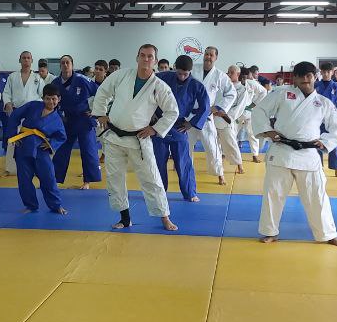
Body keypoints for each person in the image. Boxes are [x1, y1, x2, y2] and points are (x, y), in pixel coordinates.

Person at [252, 61, 337, 247]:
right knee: (273, 195)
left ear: (315, 77)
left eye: (309, 75)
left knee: (318, 196)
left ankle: (328, 234)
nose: (305, 79)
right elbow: (259, 110)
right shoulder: (281, 94)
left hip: (309, 153)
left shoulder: (323, 102)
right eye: (301, 75)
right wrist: (268, 131)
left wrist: (325, 142)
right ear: (294, 78)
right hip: (282, 150)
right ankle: (270, 232)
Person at [93, 44, 179, 231]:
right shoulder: (121, 75)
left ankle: (165, 217)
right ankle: (125, 218)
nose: (146, 59)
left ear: (155, 60)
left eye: (150, 56)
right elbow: (103, 91)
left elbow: (172, 111)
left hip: (139, 139)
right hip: (114, 136)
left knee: (151, 178)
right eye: (142, 55)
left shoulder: (159, 86)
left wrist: (155, 129)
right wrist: (100, 113)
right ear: (137, 57)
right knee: (114, 178)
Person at [154, 55, 210, 202]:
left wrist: (191, 123)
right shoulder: (162, 77)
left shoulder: (196, 85)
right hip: (159, 125)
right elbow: (147, 94)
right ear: (174, 68)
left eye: (186, 74)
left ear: (190, 71)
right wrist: (151, 114)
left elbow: (205, 107)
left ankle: (190, 193)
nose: (182, 76)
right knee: (158, 161)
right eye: (179, 73)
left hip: (179, 127)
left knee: (183, 162)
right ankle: (160, 193)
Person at [6, 84, 68, 214]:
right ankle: (31, 205)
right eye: (47, 98)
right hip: (23, 146)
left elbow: (62, 136)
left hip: (41, 150)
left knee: (49, 178)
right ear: (43, 98)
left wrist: (51, 144)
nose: (51, 102)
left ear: (59, 99)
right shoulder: (33, 105)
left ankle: (56, 205)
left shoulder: (57, 119)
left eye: (54, 99)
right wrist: (13, 134)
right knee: (24, 178)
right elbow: (15, 115)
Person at [50, 55, 101, 189]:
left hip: (84, 119)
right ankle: (55, 179)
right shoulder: (55, 83)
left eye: (68, 62)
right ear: (60, 66)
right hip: (66, 120)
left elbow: (100, 93)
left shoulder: (82, 79)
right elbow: (50, 101)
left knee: (88, 149)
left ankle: (87, 181)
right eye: (63, 63)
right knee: (61, 150)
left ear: (72, 65)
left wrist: (95, 110)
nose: (65, 65)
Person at [192, 46, 236, 186]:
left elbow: (231, 93)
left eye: (211, 55)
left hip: (206, 116)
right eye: (206, 54)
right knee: (186, 146)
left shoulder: (219, 75)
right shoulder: (193, 69)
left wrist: (216, 107)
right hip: (189, 116)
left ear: (216, 58)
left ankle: (219, 174)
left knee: (212, 147)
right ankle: (187, 172)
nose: (208, 57)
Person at [1, 51, 48, 176]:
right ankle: (10, 169)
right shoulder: (12, 76)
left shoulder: (37, 77)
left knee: (33, 140)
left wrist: (40, 110)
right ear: (20, 60)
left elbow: (43, 95)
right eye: (24, 58)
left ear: (32, 60)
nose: (26, 60)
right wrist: (8, 103)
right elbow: (6, 92)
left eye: (28, 58)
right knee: (13, 139)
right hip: (16, 112)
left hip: (32, 113)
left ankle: (34, 167)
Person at [218, 65, 248, 175]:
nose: (229, 74)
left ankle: (239, 164)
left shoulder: (242, 89)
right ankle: (218, 167)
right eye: (228, 72)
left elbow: (240, 107)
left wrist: (226, 115)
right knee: (216, 144)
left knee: (231, 142)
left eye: (231, 72)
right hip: (216, 116)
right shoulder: (224, 86)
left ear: (238, 74)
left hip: (228, 119)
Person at [238, 66, 268, 162]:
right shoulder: (233, 84)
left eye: (245, 77)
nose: (243, 79)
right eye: (241, 77)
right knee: (231, 133)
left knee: (252, 134)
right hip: (237, 113)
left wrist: (254, 104)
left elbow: (264, 91)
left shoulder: (251, 83)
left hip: (249, 112)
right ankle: (224, 153)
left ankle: (255, 155)